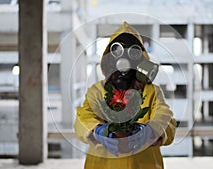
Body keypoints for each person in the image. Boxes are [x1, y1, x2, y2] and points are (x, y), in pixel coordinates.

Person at [74, 22, 176, 169]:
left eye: (133, 53)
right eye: (117, 50)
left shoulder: (151, 91)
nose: (124, 61)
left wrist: (153, 131)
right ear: (109, 59)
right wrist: (96, 131)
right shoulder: (97, 91)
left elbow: (166, 117)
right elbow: (83, 117)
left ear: (142, 61)